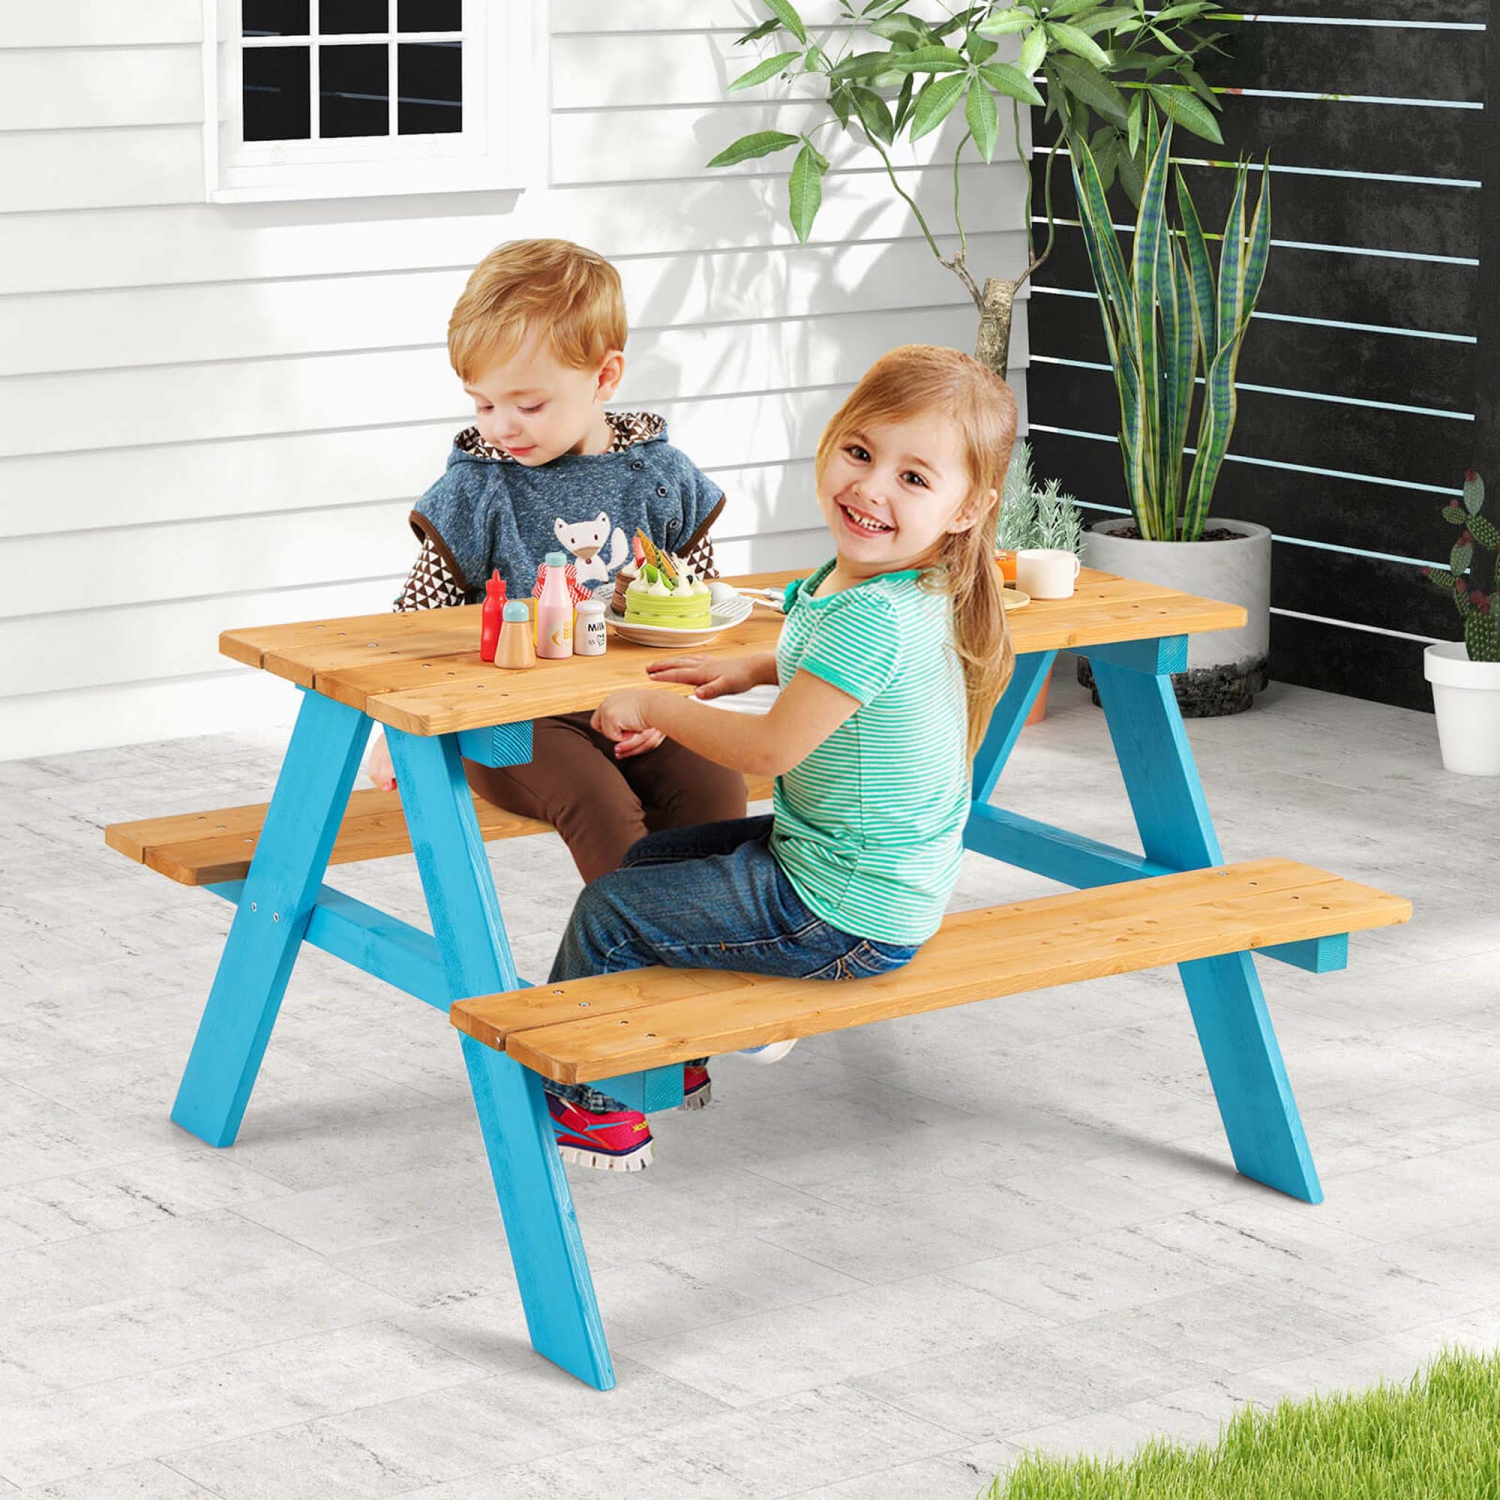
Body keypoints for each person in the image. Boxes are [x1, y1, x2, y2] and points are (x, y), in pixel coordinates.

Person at [544, 344, 1019, 1170]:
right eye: (862, 453)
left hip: (843, 912)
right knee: (650, 860)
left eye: (914, 479)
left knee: (612, 910)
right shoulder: (881, 584)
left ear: (967, 509)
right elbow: (828, 670)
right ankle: (680, 1045)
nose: (871, 489)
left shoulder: (870, 614)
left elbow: (769, 748)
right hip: (866, 878)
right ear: (832, 439)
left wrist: (659, 707)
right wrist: (748, 667)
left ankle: (596, 1106)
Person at [368, 238, 745, 1113]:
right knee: (603, 807)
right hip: (511, 730)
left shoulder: (660, 481)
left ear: (605, 378)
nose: (501, 425)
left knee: (713, 788)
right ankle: (640, 1023)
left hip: (634, 701)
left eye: (526, 403)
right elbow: (412, 622)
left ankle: (703, 998)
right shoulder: (478, 489)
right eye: (484, 402)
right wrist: (393, 724)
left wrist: (674, 702)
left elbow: (694, 600)